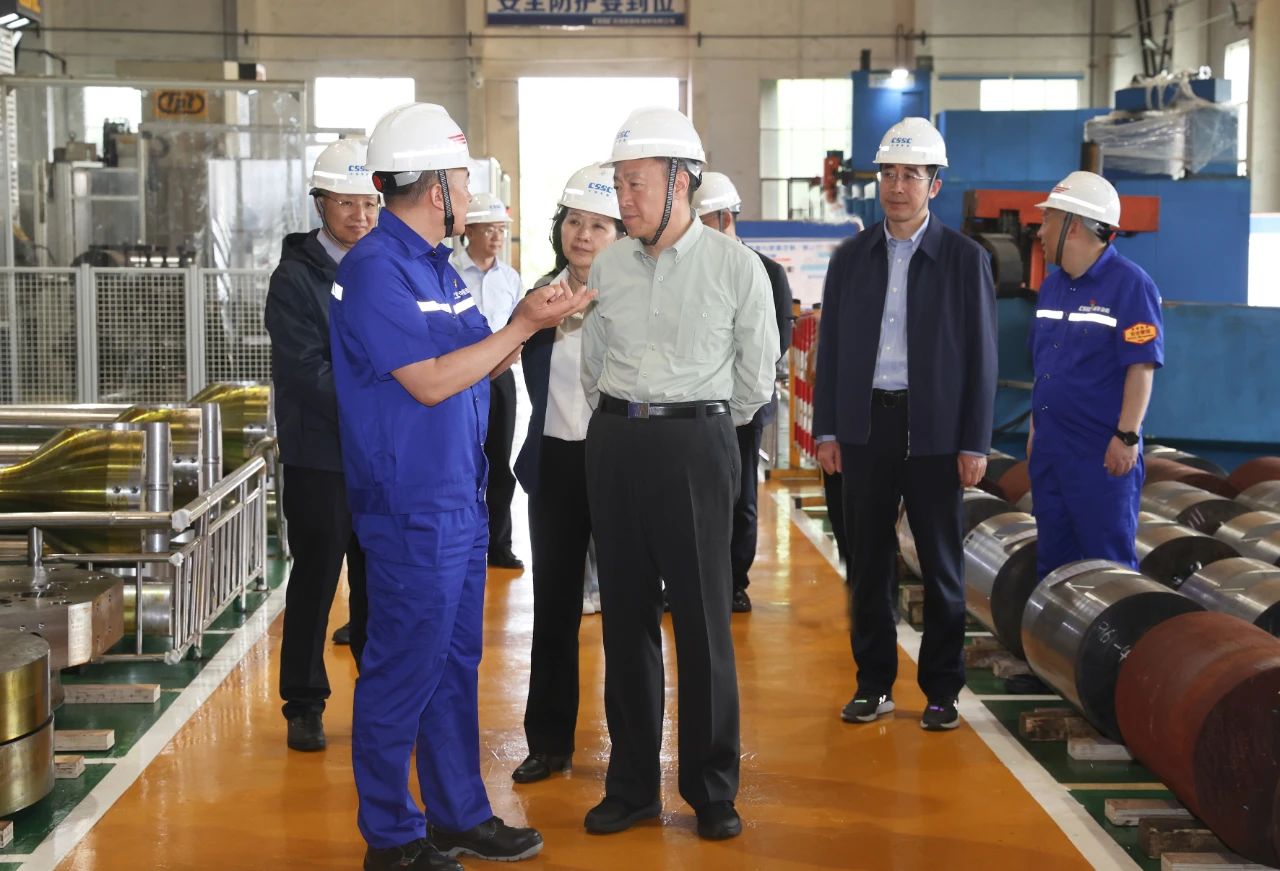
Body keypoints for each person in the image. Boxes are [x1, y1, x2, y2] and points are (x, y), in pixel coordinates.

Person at [329, 102, 593, 871]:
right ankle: (391, 835)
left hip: (456, 497)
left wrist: (532, 319)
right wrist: (520, 327)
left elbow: (479, 359)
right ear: (436, 186)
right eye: (463, 178)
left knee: (452, 664)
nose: (470, 192)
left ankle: (455, 814)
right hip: (410, 505)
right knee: (401, 668)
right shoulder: (375, 270)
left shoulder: (435, 268)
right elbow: (430, 380)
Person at [581, 107, 778, 841]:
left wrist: (699, 427)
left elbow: (756, 376)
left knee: (702, 623)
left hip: (696, 443)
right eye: (619, 183)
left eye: (635, 183)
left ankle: (712, 789)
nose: (623, 198)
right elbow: (593, 362)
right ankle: (632, 785)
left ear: (681, 182)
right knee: (625, 619)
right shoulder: (608, 266)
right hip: (616, 441)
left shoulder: (736, 266)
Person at [812, 117, 997, 733]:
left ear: (934, 185)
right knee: (867, 564)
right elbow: (831, 350)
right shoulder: (851, 259)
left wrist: (974, 441)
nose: (897, 186)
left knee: (942, 566)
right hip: (865, 429)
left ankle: (942, 690)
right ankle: (874, 684)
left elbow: (982, 358)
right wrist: (828, 430)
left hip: (936, 434)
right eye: (888, 174)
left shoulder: (965, 260)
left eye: (911, 175)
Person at [510, 162, 624, 785]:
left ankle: (631, 752)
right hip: (555, 462)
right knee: (553, 607)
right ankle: (548, 743)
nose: (583, 235)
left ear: (621, 234)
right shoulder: (540, 299)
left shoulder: (635, 297)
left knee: (628, 610)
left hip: (621, 462)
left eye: (599, 225)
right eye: (575, 221)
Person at [264, 136, 373, 753]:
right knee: (316, 577)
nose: (360, 215)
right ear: (320, 204)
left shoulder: (384, 266)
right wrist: (383, 407)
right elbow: (306, 370)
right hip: (320, 455)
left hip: (377, 456)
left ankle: (380, 696)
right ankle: (303, 702)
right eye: (345, 202)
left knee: (378, 580)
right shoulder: (295, 278)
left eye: (370, 202)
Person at [1027, 170, 1163, 579]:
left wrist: (1127, 436)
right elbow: (1044, 367)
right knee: (1053, 566)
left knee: (1108, 567)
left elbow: (1141, 366)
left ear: (1073, 225)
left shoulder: (1131, 285)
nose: (1040, 231)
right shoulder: (1052, 287)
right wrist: (1035, 430)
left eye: (1048, 220)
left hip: (1100, 455)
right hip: (1050, 450)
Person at [691, 170, 793, 613]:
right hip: (692, 407)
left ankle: (733, 582)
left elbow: (777, 342)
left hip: (744, 407)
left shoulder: (767, 272)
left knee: (739, 497)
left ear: (725, 218)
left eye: (700, 222)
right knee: (689, 497)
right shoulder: (686, 271)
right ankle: (686, 581)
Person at [450, 192, 524, 570]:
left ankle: (499, 545)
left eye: (502, 230)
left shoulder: (510, 279)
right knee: (458, 460)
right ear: (471, 231)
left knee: (498, 461)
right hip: (457, 377)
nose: (497, 237)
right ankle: (460, 544)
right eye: (490, 229)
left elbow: (518, 329)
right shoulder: (448, 272)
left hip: (500, 378)